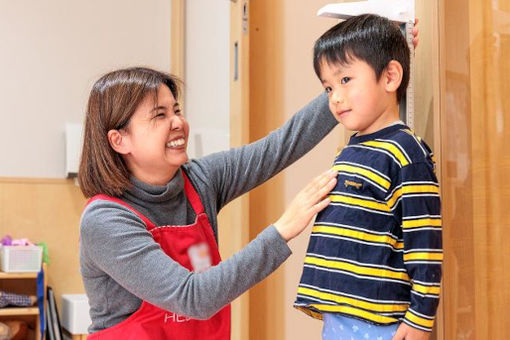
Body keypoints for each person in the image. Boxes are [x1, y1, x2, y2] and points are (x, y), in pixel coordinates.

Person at [77, 66, 339, 339]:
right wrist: (283, 229)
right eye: (160, 115)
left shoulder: (201, 180)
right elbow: (193, 298)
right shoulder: (105, 220)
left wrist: (340, 91)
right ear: (119, 140)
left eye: (176, 110)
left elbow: (279, 147)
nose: (177, 122)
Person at [294, 14, 441, 340]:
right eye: (328, 87)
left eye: (345, 80)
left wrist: (420, 318)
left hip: (379, 323)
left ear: (390, 77)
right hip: (341, 317)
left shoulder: (406, 153)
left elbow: (425, 243)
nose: (334, 97)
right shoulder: (352, 148)